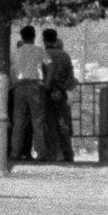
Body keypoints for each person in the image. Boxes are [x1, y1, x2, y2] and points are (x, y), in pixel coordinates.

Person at [10, 24, 49, 160]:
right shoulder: (40, 51)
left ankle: (15, 152)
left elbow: (12, 69)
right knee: (37, 121)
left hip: (20, 86)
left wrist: (14, 83)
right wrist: (46, 83)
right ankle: (41, 153)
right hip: (35, 86)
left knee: (18, 121)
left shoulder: (16, 52)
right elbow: (51, 65)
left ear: (22, 37)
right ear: (34, 36)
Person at [42, 28, 77, 162]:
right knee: (63, 124)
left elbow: (40, 76)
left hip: (46, 94)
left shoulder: (43, 55)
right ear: (56, 39)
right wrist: (62, 89)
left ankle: (52, 154)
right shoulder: (65, 56)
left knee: (48, 124)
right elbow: (71, 78)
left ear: (44, 40)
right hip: (62, 94)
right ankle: (68, 154)